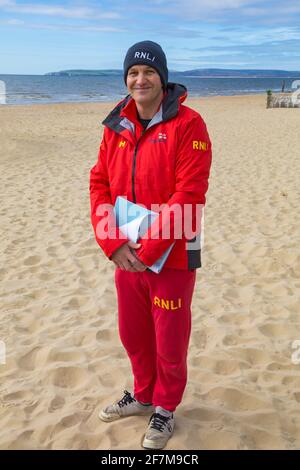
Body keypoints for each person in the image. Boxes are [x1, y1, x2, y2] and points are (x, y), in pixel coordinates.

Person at [89, 40, 212, 450]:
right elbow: (99, 184)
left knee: (170, 337)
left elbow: (189, 194)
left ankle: (165, 407)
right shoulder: (116, 127)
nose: (140, 80)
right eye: (133, 74)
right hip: (126, 254)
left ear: (162, 78)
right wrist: (112, 242)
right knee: (133, 333)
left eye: (148, 73)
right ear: (126, 79)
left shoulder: (189, 124)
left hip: (172, 255)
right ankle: (143, 395)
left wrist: (150, 249)